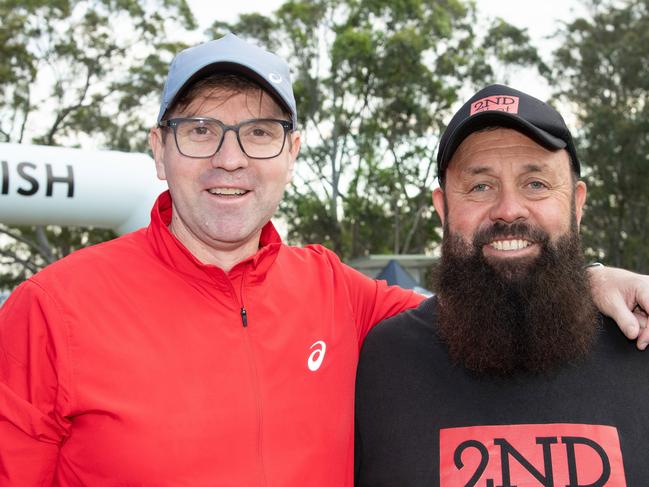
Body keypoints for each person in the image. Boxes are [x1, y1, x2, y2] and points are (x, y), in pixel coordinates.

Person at [0, 36, 645, 486]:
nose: (230, 158)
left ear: (291, 152)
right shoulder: (51, 312)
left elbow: (488, 295)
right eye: (200, 130)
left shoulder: (341, 295)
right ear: (158, 148)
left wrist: (587, 277)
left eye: (259, 132)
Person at [355, 84, 649, 486]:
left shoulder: (639, 343)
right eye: (480, 186)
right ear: (443, 208)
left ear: (577, 204)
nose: (509, 209)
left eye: (536, 184)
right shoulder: (381, 361)